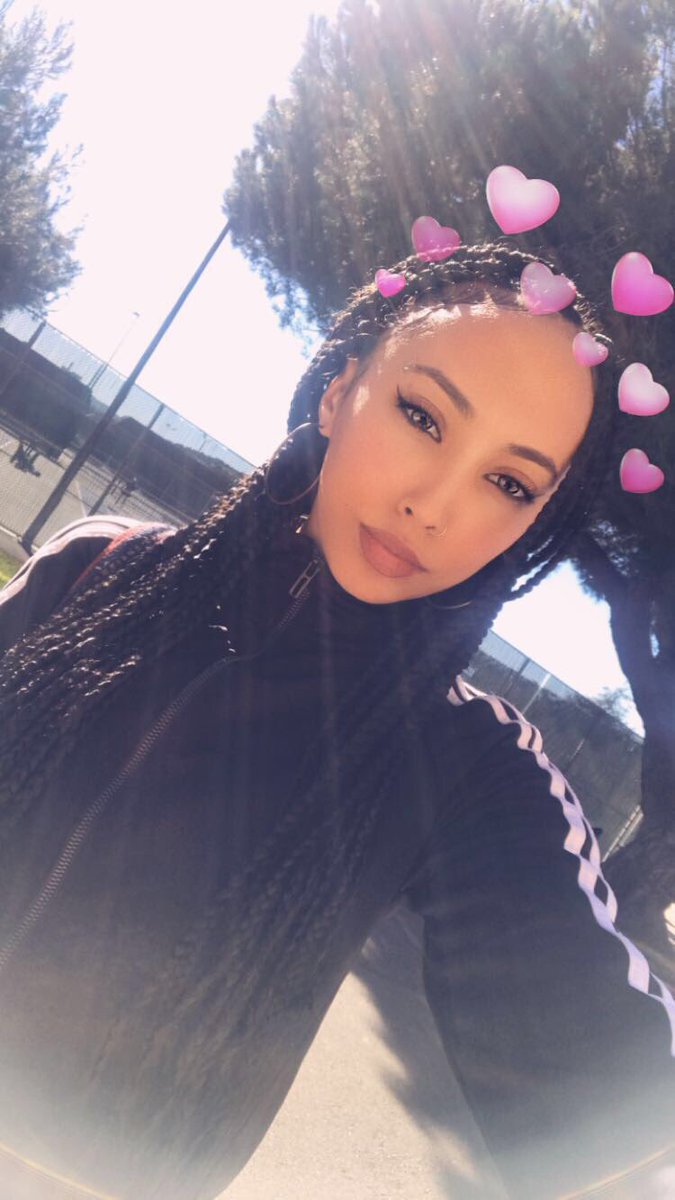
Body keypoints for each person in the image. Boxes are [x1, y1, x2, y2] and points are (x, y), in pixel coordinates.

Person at [0, 243, 672, 1200]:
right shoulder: (100, 566)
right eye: (422, 415)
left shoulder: (474, 766)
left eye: (510, 483)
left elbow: (626, 1114)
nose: (432, 505)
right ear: (337, 392)